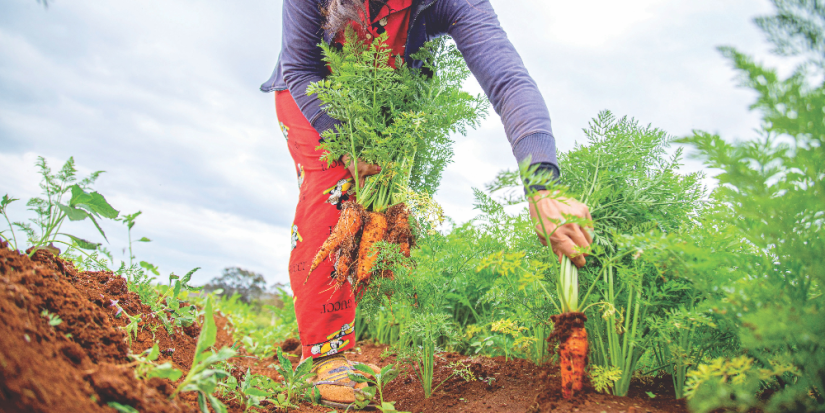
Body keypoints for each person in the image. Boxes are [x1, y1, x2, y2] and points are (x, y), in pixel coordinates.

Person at [260, 0, 593, 407]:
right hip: (311, 94)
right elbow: (300, 68)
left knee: (375, 219)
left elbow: (508, 80)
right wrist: (344, 145)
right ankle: (326, 353)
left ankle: (339, 328)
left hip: (383, 99)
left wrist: (542, 186)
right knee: (331, 193)